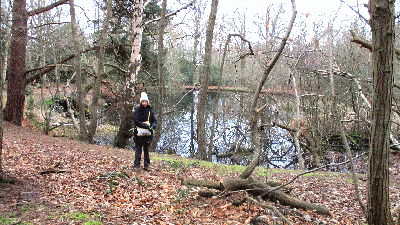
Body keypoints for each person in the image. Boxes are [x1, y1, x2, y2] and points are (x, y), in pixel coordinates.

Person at [133, 92, 157, 171]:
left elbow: (154, 120)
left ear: (147, 102)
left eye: (145, 101)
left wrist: (153, 126)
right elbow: (136, 121)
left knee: (146, 151)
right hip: (138, 133)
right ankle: (136, 165)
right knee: (138, 150)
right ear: (141, 102)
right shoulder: (137, 110)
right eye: (143, 101)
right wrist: (146, 126)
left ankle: (146, 165)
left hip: (148, 135)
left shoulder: (150, 110)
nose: (144, 103)